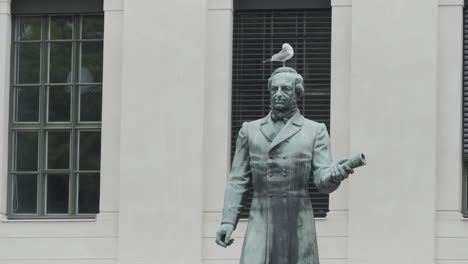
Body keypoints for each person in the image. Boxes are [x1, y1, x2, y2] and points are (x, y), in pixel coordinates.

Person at [215, 67, 353, 264]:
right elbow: (237, 180)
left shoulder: (315, 131)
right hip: (261, 217)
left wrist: (336, 174)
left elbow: (322, 181)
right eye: (275, 89)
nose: (278, 94)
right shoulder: (250, 130)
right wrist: (228, 221)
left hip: (298, 217)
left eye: (285, 89)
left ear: (297, 93)